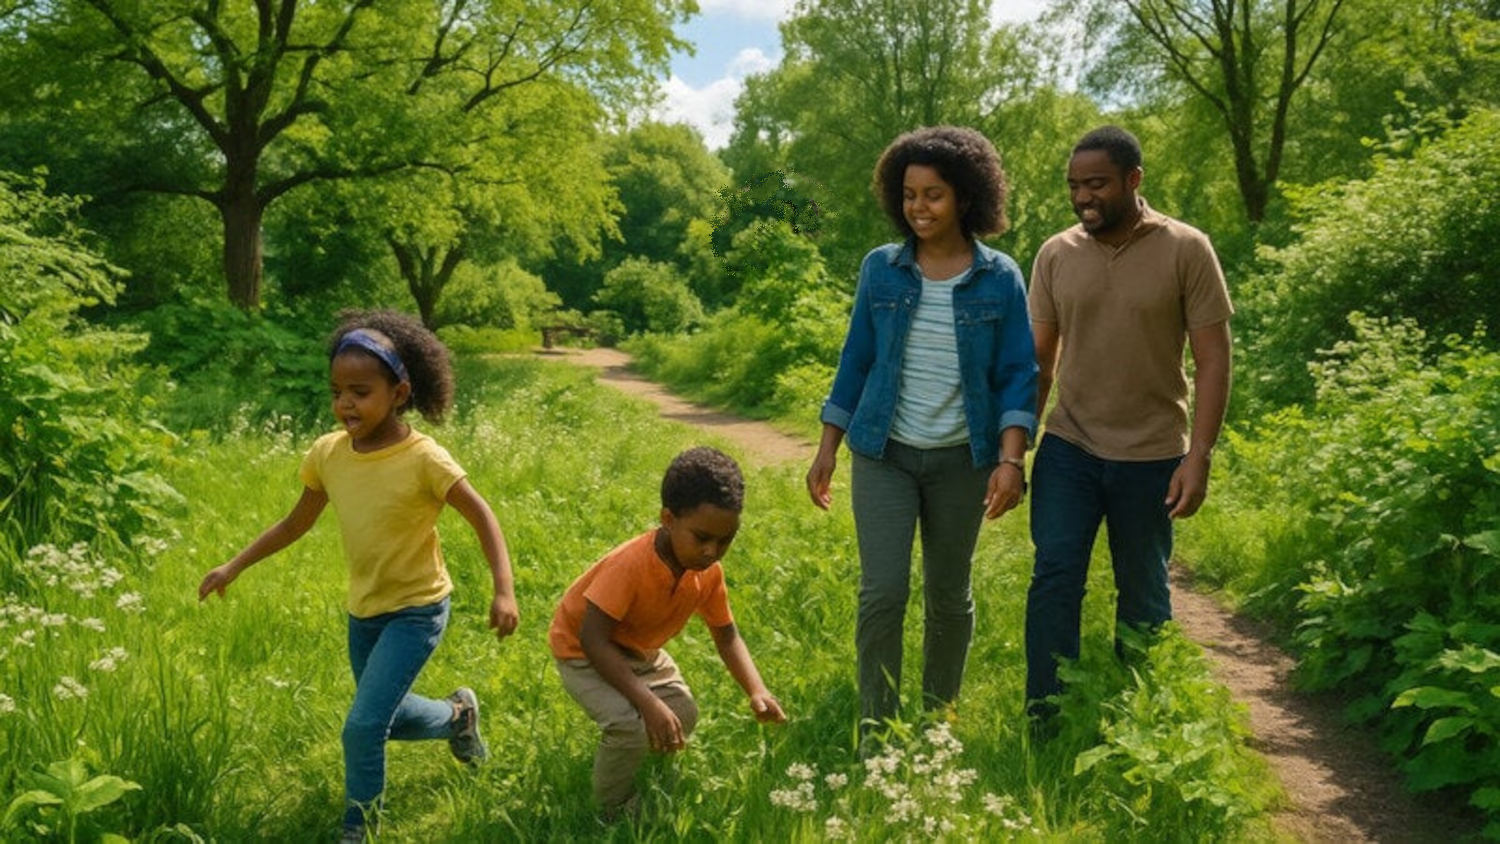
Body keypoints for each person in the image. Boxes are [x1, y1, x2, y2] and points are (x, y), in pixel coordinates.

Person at [197, 310, 519, 842]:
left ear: (399, 392)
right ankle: (458, 716)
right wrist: (235, 564)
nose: (346, 403)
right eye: (337, 390)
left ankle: (358, 826)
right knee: (382, 720)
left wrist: (503, 590)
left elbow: (482, 514)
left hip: (417, 609)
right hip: (365, 611)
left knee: (363, 727)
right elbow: (296, 522)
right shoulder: (328, 454)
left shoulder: (424, 459)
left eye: (361, 391)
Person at [806, 126, 1037, 738]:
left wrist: (1010, 462)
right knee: (883, 592)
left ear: (966, 196)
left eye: (933, 194)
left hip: (965, 459)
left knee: (947, 596)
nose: (919, 207)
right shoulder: (881, 270)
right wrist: (827, 447)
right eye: (909, 194)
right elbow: (856, 359)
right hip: (885, 453)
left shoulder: (1001, 276)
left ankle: (937, 723)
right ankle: (876, 731)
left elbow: (1019, 374)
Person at [1024, 125, 1233, 720]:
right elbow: (1041, 361)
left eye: (1097, 184)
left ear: (1133, 180)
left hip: (1152, 454)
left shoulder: (1186, 248)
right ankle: (1046, 714)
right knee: (1055, 576)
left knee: (1143, 589)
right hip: (1070, 447)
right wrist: (1014, 448)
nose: (1083, 197)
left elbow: (1214, 357)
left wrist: (1200, 455)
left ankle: (1143, 718)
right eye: (1074, 186)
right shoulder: (1056, 253)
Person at [549, 446, 786, 818]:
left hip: (639, 651)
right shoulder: (631, 565)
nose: (712, 551)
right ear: (668, 519)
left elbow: (726, 635)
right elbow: (592, 639)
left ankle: (649, 766)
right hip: (582, 651)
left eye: (725, 540)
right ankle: (610, 810)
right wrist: (647, 702)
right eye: (702, 537)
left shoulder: (706, 573)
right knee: (628, 725)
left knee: (683, 713)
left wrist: (756, 689)